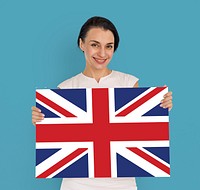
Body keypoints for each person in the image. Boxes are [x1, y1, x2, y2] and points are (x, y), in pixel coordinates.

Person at [32, 16, 173, 190]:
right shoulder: (65, 88)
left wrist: (160, 107)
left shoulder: (128, 83)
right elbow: (60, 142)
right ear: (81, 44)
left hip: (122, 184)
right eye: (95, 45)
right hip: (76, 183)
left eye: (109, 46)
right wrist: (42, 120)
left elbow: (140, 133)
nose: (102, 53)